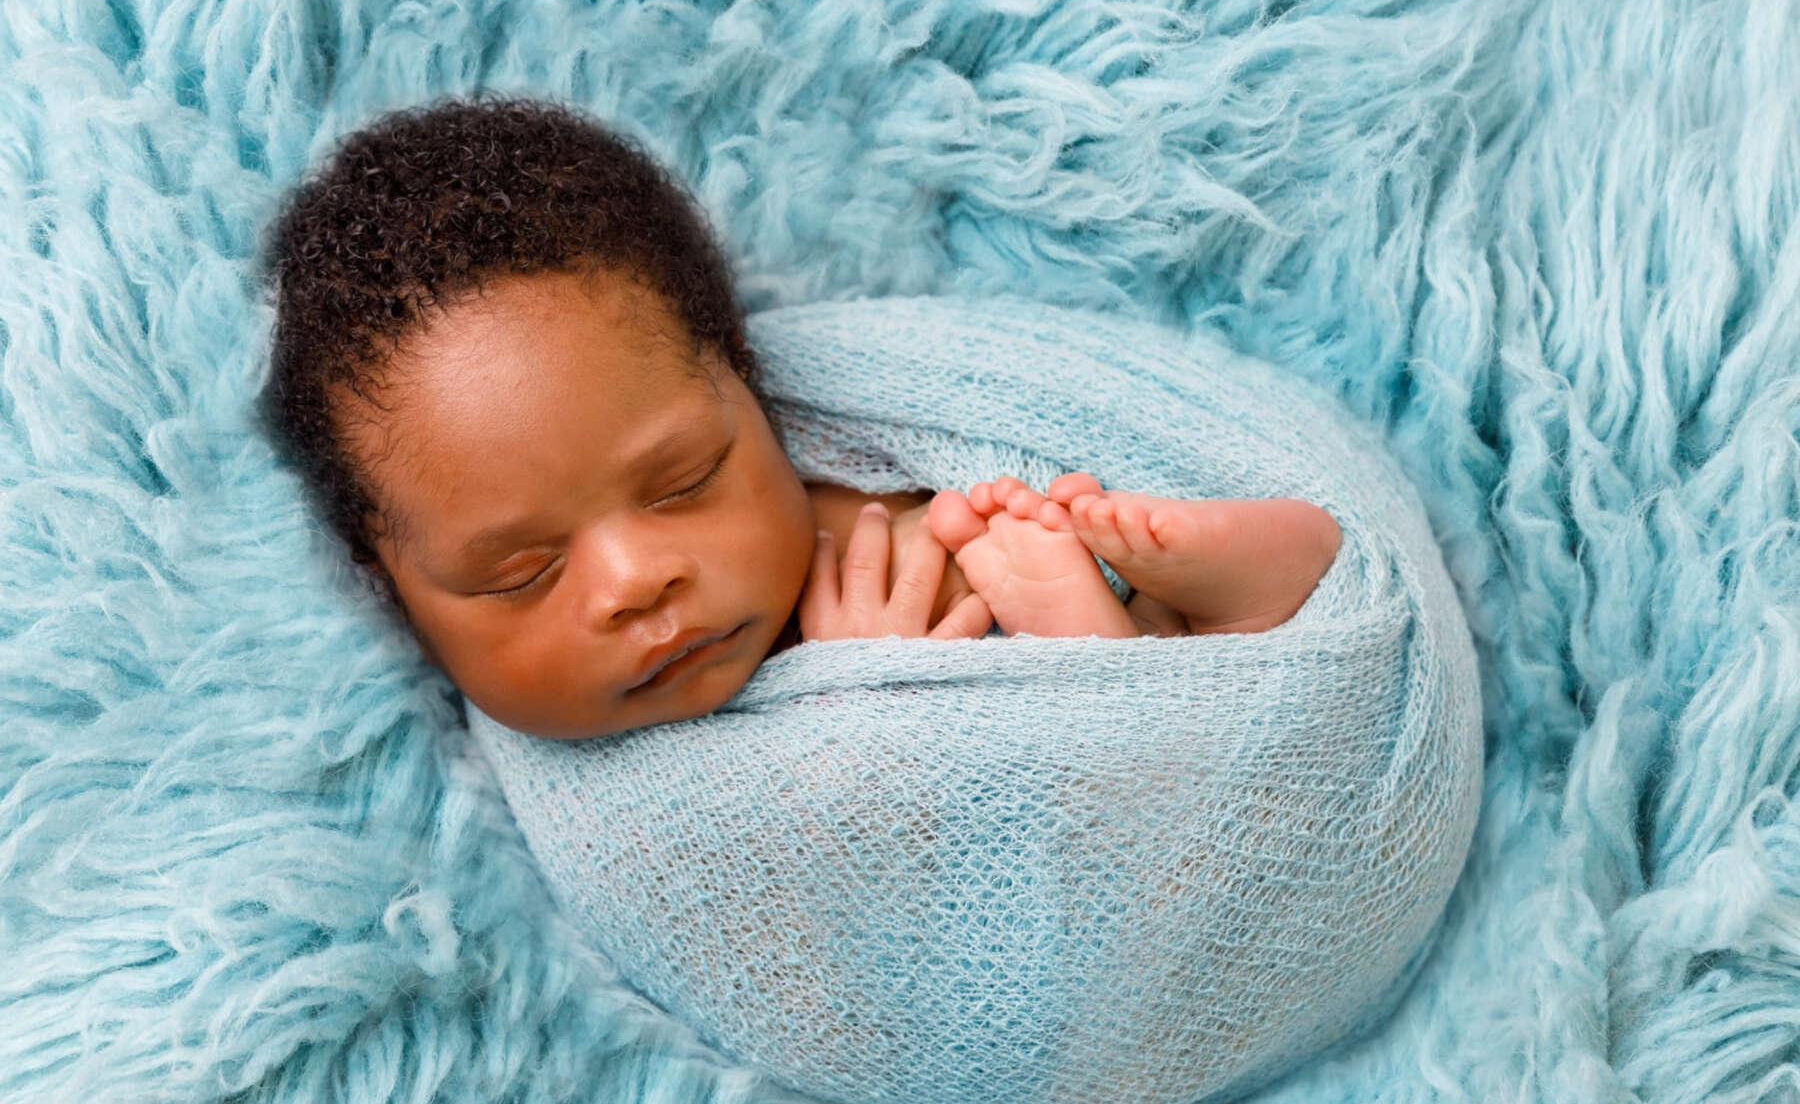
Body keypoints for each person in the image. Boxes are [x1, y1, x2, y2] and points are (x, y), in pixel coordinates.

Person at [257, 93, 1340, 741]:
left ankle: (1224, 606)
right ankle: (1116, 658)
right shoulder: (605, 800)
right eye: (520, 573)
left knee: (1023, 556)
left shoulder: (871, 513)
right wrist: (866, 720)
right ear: (387, 584)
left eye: (684, 482)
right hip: (1091, 847)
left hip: (1143, 672)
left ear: (742, 378)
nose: (636, 581)